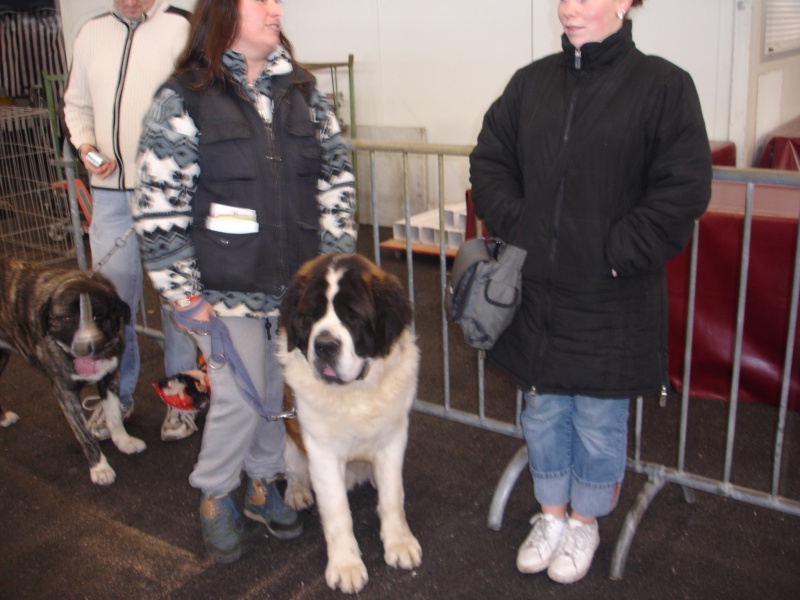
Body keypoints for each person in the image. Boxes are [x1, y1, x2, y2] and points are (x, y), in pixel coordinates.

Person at [469, 0, 711, 584]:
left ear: (627, 4)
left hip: (612, 296)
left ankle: (585, 522)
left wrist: (617, 251)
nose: (570, 8)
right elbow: (490, 161)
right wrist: (520, 227)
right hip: (539, 293)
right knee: (544, 410)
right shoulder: (530, 85)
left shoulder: (664, 87)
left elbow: (683, 187)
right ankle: (550, 515)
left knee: (599, 420)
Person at [131, 0, 357, 563]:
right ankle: (213, 492)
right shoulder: (183, 97)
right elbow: (159, 205)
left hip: (296, 289)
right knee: (237, 395)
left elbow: (337, 184)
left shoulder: (304, 92)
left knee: (267, 393)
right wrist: (182, 292)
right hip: (220, 285)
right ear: (224, 15)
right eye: (261, 1)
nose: (276, 9)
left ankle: (261, 484)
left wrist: (332, 275)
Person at [62, 0, 202, 442]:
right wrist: (85, 146)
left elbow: (204, 104)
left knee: (177, 301)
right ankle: (115, 398)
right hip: (108, 197)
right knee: (109, 304)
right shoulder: (90, 33)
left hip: (171, 196)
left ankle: (180, 400)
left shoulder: (183, 27)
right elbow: (76, 105)